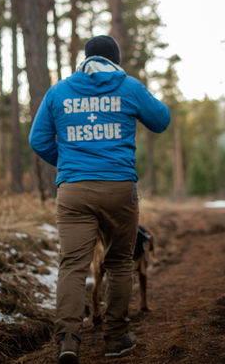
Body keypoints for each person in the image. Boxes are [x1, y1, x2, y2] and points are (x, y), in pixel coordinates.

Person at [29, 35, 170, 363]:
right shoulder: (129, 86)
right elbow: (161, 120)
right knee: (119, 262)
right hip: (119, 188)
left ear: (85, 60)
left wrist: (70, 164)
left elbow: (38, 139)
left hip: (73, 191)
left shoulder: (59, 91)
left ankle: (68, 340)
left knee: (72, 265)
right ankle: (115, 338)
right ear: (115, 61)